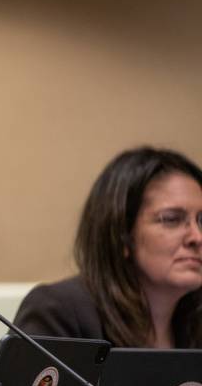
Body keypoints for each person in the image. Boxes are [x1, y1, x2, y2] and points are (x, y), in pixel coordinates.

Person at [14, 147, 202, 348]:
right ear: (121, 235)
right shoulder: (59, 313)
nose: (197, 237)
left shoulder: (194, 320)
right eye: (171, 219)